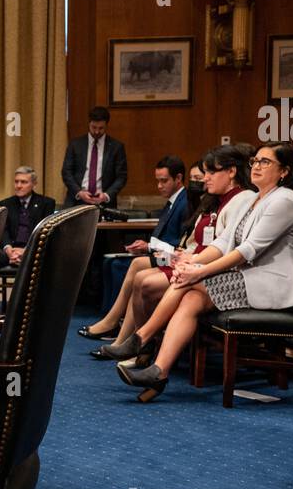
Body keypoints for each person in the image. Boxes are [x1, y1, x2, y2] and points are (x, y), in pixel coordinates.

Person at [107, 143, 293, 402]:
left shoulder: (285, 200)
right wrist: (194, 264)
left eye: (265, 162)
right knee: (191, 296)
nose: (256, 166)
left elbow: (247, 250)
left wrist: (198, 272)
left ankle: (141, 338)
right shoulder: (254, 198)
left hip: (273, 284)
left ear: (285, 171)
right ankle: (158, 370)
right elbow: (223, 243)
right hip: (249, 278)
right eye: (255, 161)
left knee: (191, 285)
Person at [91, 144, 256, 354]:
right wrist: (185, 257)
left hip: (213, 269)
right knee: (139, 274)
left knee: (146, 281)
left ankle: (141, 343)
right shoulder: (215, 200)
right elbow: (205, 242)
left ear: (231, 172)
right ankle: (136, 341)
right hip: (193, 260)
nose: (204, 179)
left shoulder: (240, 199)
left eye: (210, 172)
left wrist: (187, 260)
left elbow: (226, 247)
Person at [81, 155, 187, 338]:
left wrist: (148, 247)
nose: (159, 186)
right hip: (162, 254)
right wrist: (147, 246)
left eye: (164, 181)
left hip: (173, 258)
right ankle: (112, 321)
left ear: (178, 178)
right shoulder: (174, 201)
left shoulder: (185, 202)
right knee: (110, 263)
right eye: (157, 181)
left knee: (134, 265)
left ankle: (113, 323)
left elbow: (178, 244)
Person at [62, 106, 128, 208]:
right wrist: (79, 192)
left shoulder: (116, 147)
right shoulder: (75, 145)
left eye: (101, 128)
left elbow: (121, 177)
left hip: (104, 203)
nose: (97, 132)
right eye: (94, 127)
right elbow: (66, 172)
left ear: (106, 125)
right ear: (89, 123)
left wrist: (106, 195)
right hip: (77, 201)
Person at [0, 165, 56, 268]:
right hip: (10, 249)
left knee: (48, 256)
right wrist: (9, 249)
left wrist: (27, 250)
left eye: (23, 182)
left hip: (34, 250)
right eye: (16, 181)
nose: (18, 185)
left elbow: (46, 232)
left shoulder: (46, 203)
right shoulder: (5, 204)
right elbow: (2, 230)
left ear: (34, 184)